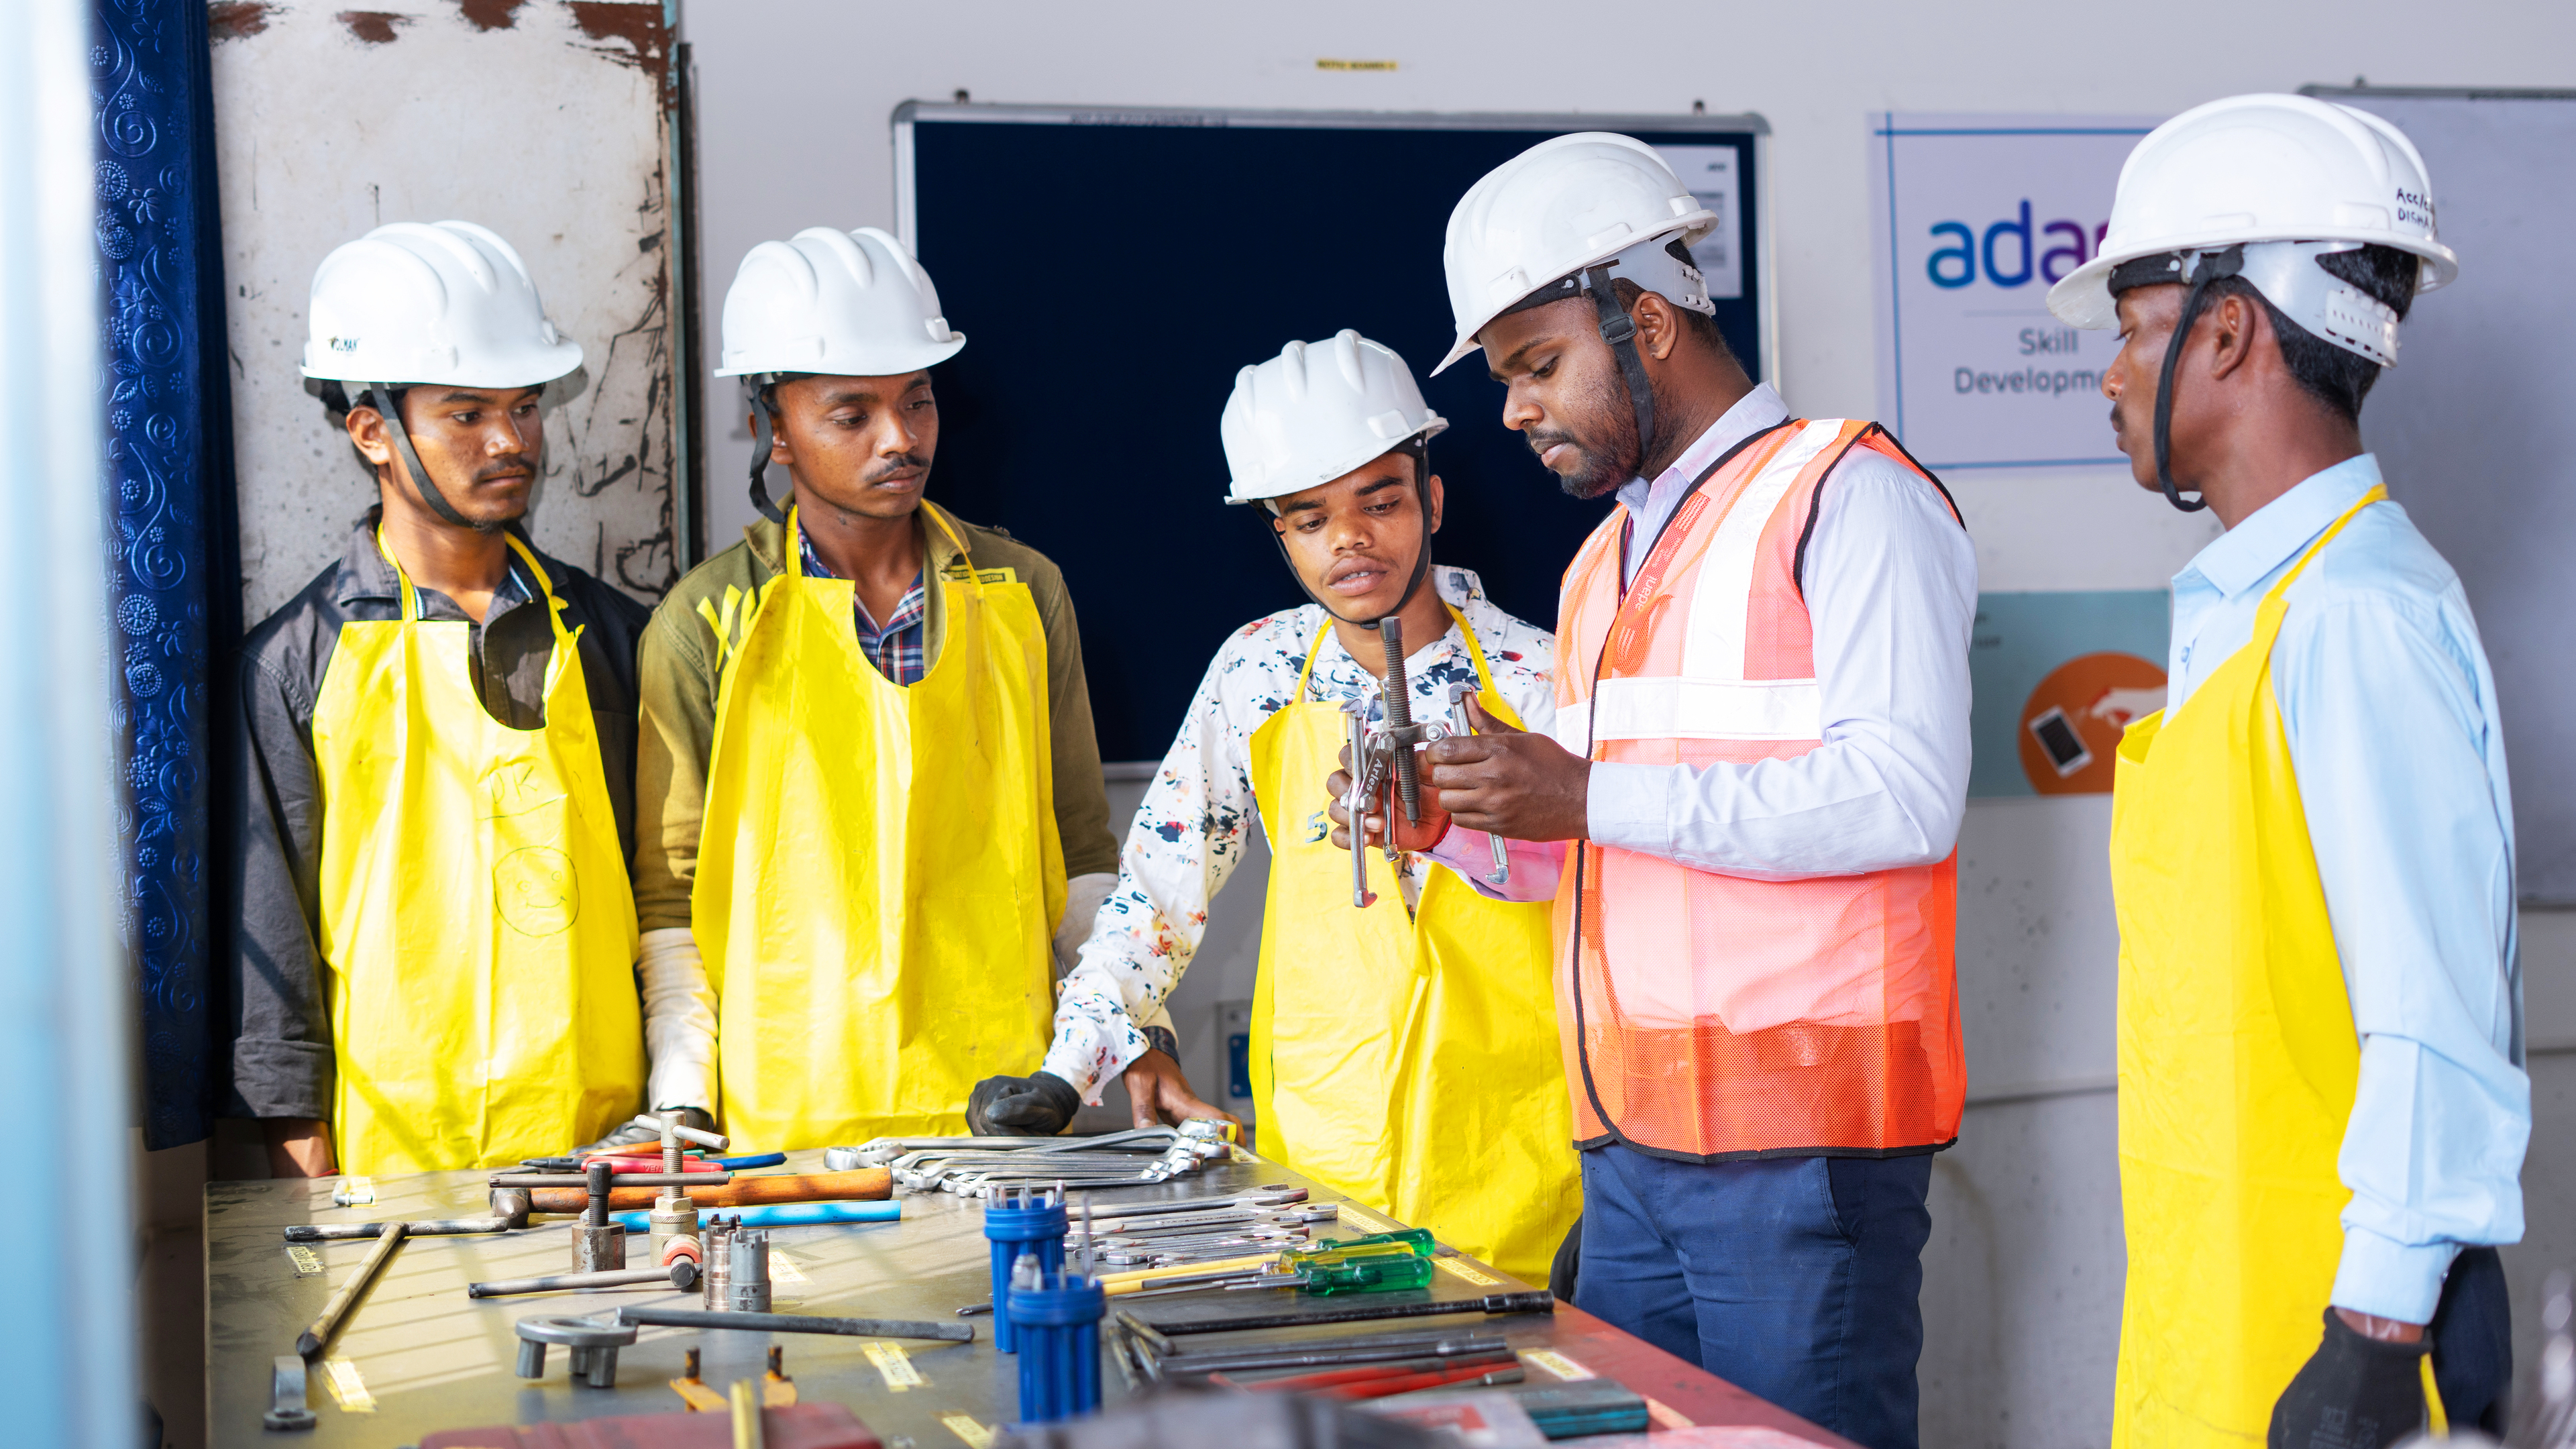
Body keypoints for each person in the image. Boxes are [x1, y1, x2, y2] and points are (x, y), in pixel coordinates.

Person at [1358, 134, 1976, 1449]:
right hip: (1628, 1148)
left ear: (1647, 320)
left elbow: (1904, 799)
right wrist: (1470, 828)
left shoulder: (1849, 497)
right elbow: (1599, 843)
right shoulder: (1601, 564)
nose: (1515, 409)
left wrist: (1590, 798)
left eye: (1539, 366)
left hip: (1801, 1153)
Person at [2044, 94, 2525, 1448]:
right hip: (2233, 1294)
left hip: (2334, 1328)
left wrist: (2371, 1338)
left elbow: (2432, 1018)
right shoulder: (2268, 609)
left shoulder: (2355, 618)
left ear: (2233, 329)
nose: (2113, 374)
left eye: (2138, 329)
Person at [969, 331, 1580, 1284]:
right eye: (1308, 519)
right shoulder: (1256, 672)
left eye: (1380, 501)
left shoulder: (1543, 677)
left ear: (1433, 495)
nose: (1350, 540)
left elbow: (1612, 911)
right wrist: (1072, 1064)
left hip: (1522, 1173)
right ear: (1277, 534)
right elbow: (1159, 891)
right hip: (1320, 1172)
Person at [632, 226, 1121, 1151]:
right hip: (793, 1126)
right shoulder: (706, 623)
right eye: (851, 415)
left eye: (918, 402)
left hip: (1000, 1108)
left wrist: (1134, 1040)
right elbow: (673, 898)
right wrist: (684, 1097)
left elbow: (1082, 847)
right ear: (772, 428)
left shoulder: (1021, 591)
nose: (901, 440)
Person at [230, 221, 652, 1176]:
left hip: (606, 1162)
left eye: (526, 408)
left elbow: (666, 898)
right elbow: (274, 961)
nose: (511, 441)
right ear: (372, 431)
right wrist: (318, 1206)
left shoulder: (616, 639)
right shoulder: (295, 663)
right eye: (467, 414)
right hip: (395, 1164)